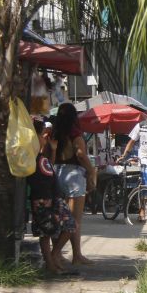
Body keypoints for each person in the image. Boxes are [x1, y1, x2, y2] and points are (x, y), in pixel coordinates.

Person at [28, 118, 75, 274]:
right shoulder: (30, 155)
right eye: (42, 135)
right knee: (45, 233)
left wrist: (53, 149)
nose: (44, 138)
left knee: (69, 225)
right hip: (42, 198)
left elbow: (49, 166)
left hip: (53, 196)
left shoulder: (40, 155)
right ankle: (49, 263)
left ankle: (54, 256)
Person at [53, 102, 97, 266]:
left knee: (60, 218)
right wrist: (92, 171)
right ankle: (68, 254)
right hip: (74, 175)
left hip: (57, 173)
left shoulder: (55, 134)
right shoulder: (75, 134)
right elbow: (80, 155)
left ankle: (61, 254)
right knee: (75, 219)